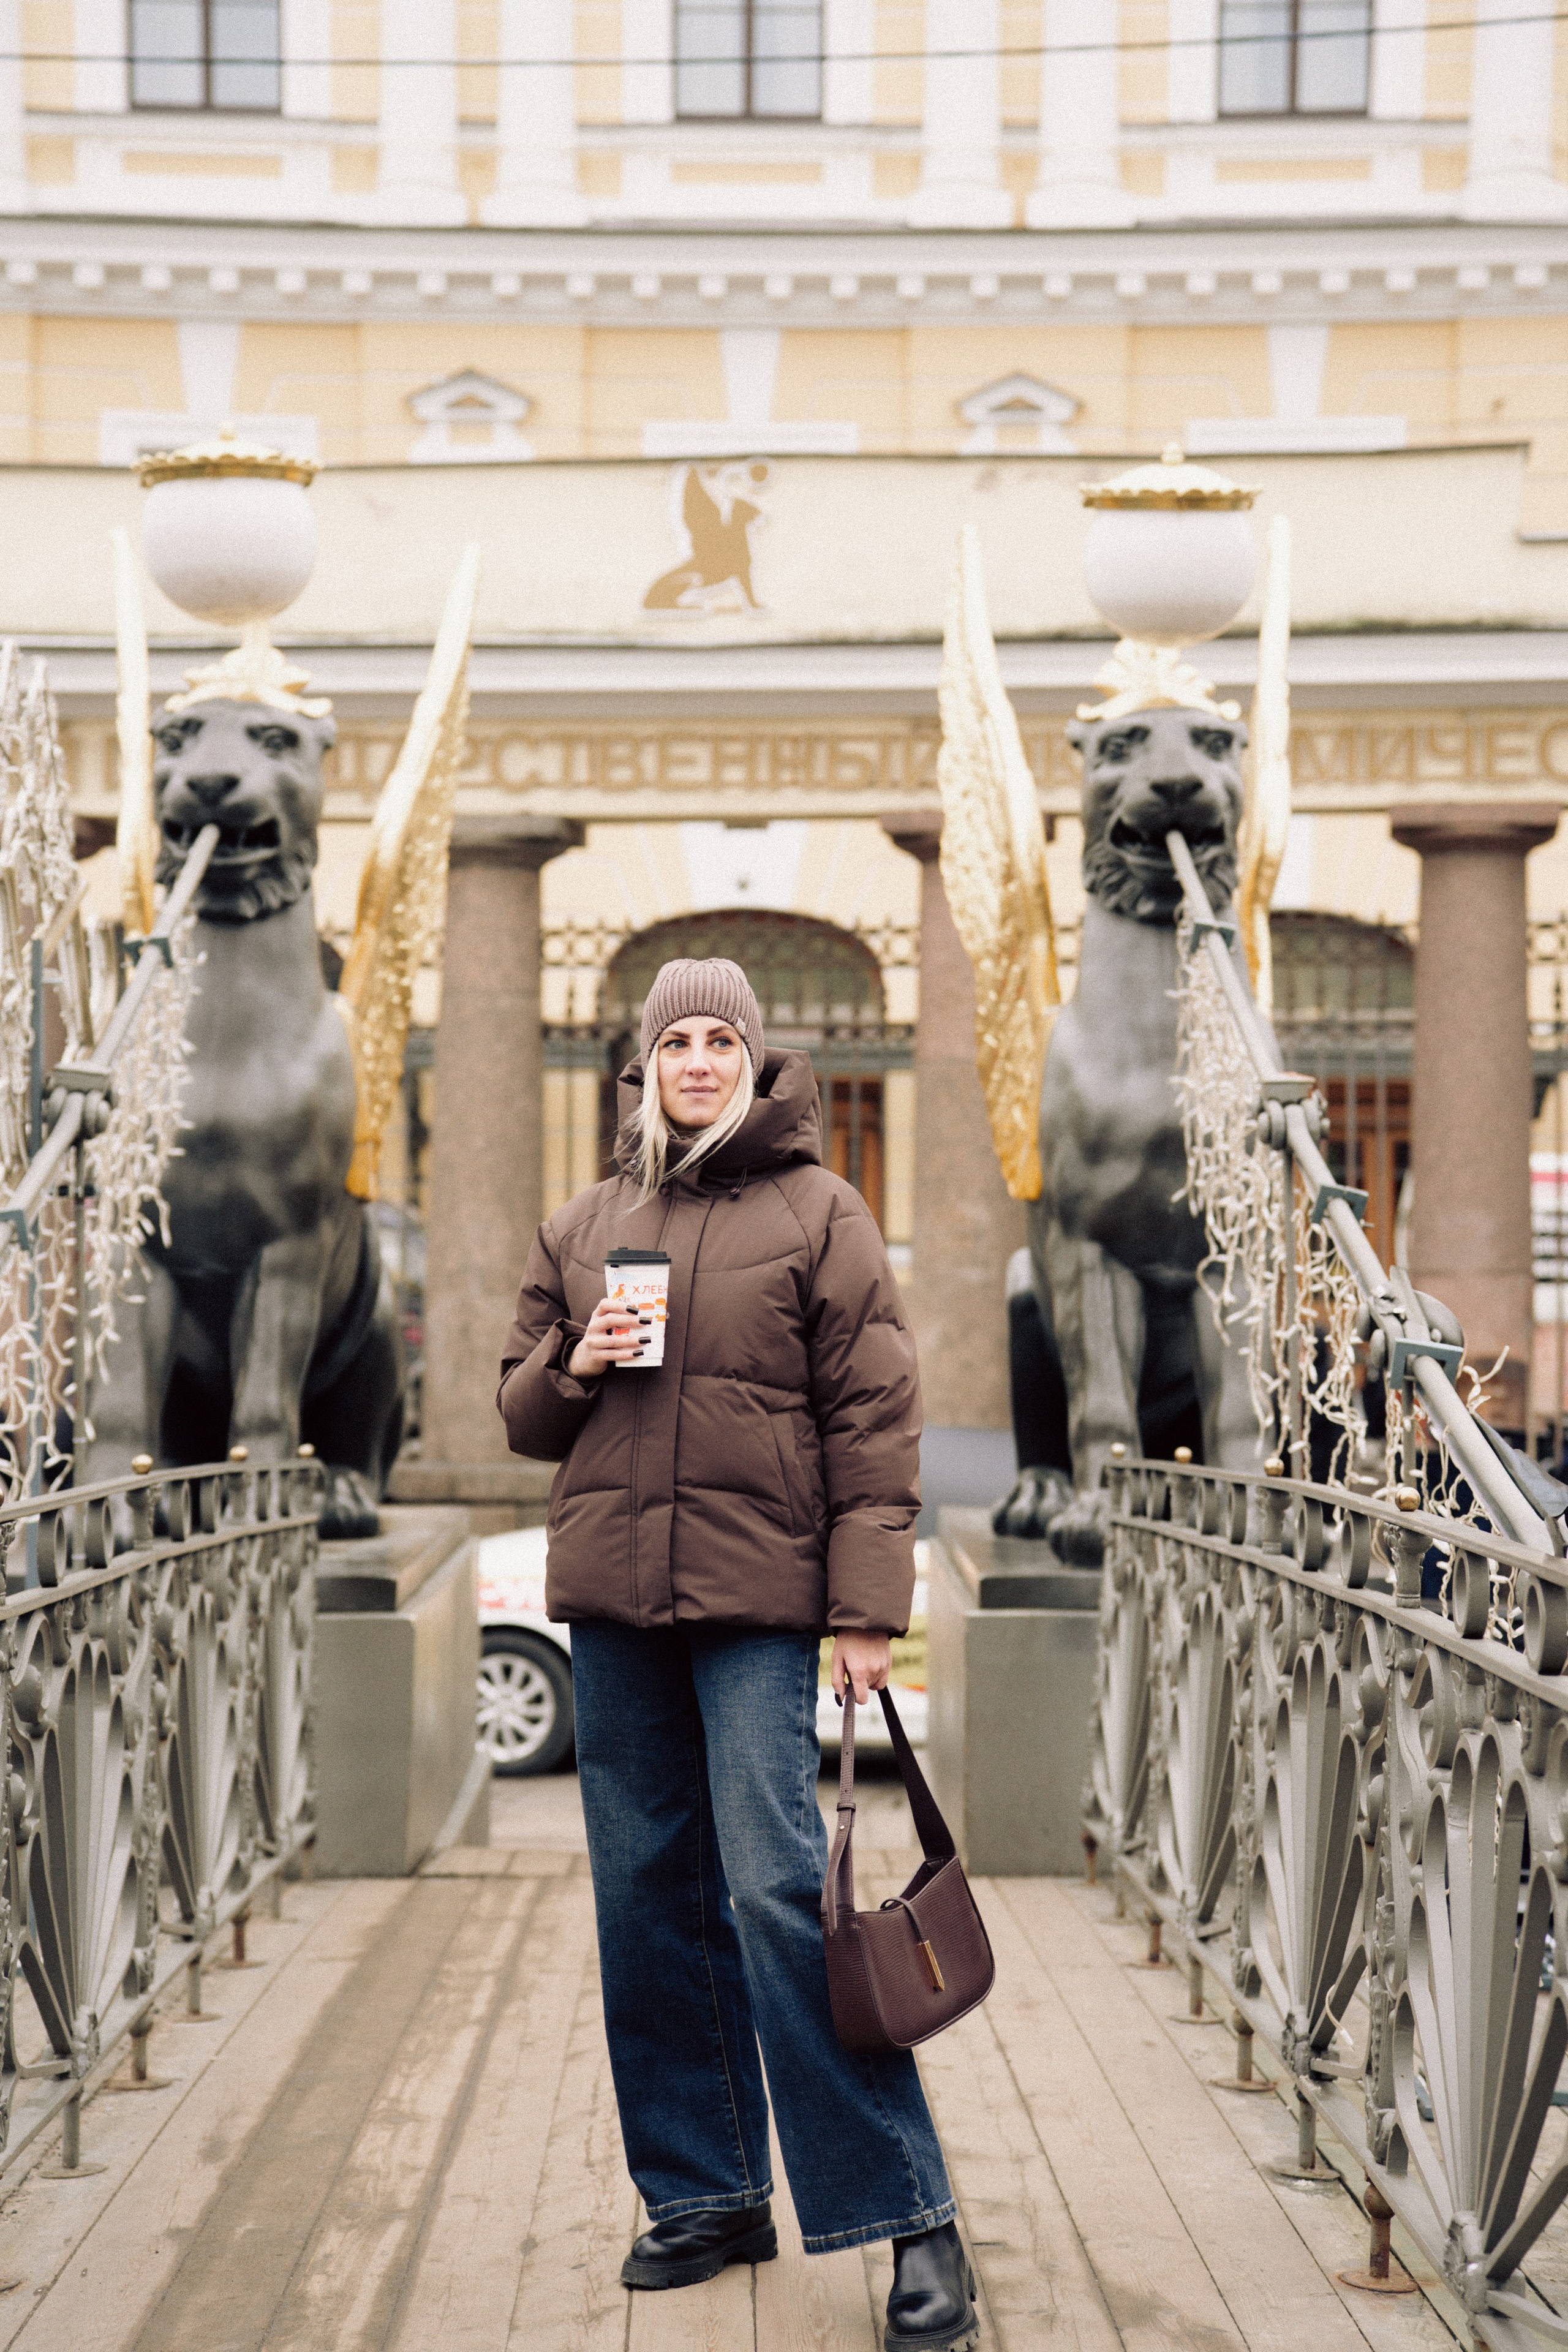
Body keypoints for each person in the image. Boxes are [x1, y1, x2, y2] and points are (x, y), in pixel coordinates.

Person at [498, 957, 976, 2351]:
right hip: (613, 1602)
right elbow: (523, 1416)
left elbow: (873, 1422)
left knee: (776, 1891)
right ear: (638, 1068)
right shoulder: (584, 1222)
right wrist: (578, 1359)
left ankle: (905, 2208)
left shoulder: (821, 1213)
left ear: (754, 1063)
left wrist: (864, 1608)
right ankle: (704, 2194)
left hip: (763, 1604)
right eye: (673, 1042)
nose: (696, 1061)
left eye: (720, 1041)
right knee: (645, 1893)